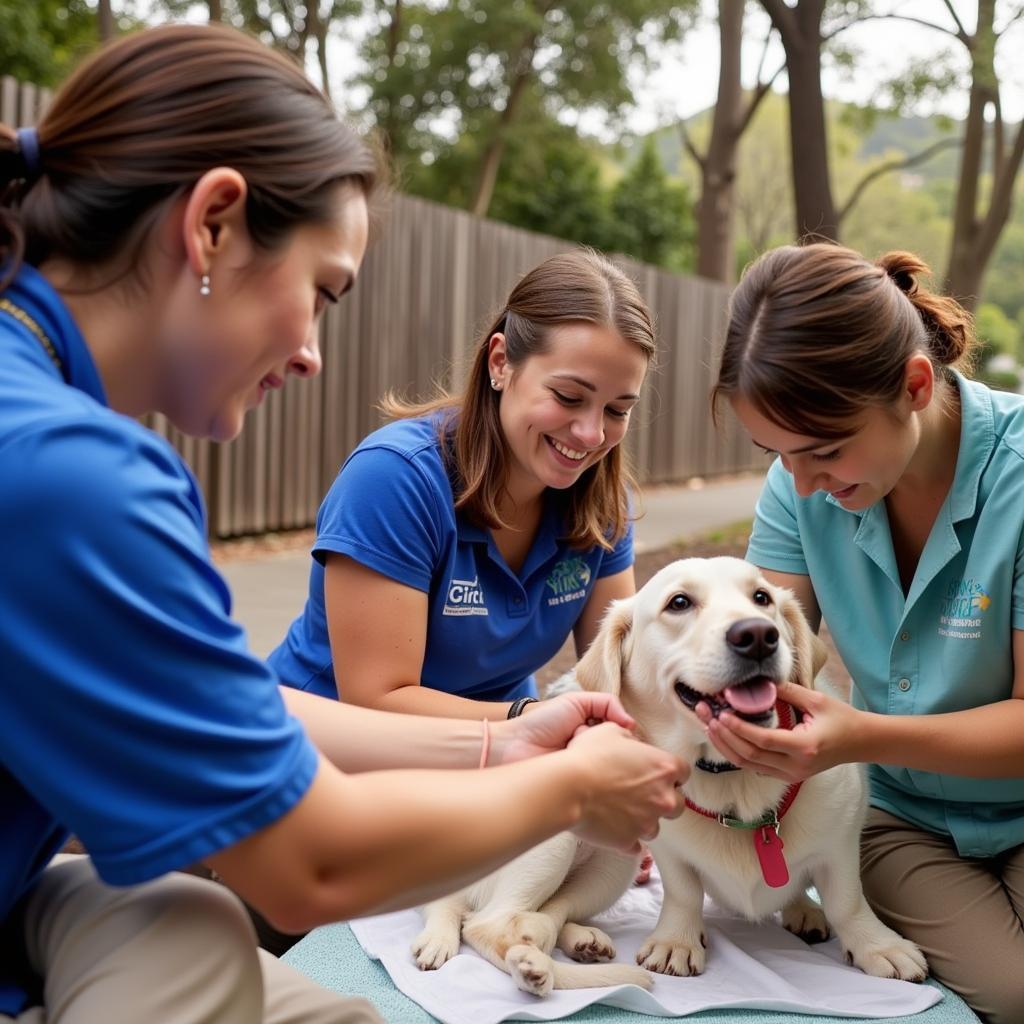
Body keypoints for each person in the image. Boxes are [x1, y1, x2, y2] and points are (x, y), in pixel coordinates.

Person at [0, 24, 686, 1024]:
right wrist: (574, 789)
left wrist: (512, 745)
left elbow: (241, 703)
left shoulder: (49, 422)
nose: (316, 353)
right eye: (321, 293)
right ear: (214, 225)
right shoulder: (73, 478)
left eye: (615, 410)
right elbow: (306, 867)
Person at [708, 241, 1024, 1024]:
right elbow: (758, 647)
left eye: (824, 450)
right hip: (899, 819)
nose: (802, 482)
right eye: (777, 454)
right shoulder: (799, 483)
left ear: (915, 386)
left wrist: (860, 736)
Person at [269, 248, 654, 720]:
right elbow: (378, 701)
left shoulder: (602, 501)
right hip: (325, 755)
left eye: (618, 411)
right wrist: (533, 719)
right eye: (568, 396)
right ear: (500, 363)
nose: (592, 434)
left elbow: (625, 675)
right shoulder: (394, 480)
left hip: (496, 752)